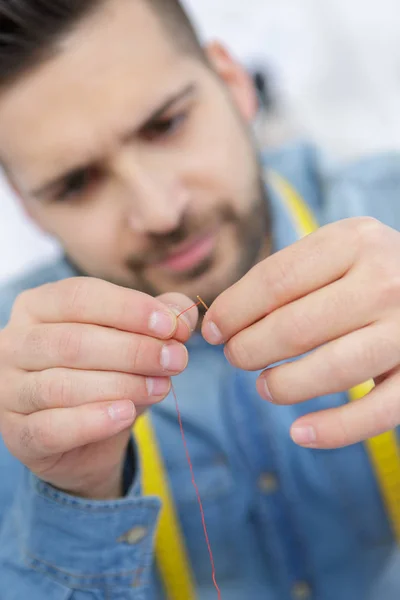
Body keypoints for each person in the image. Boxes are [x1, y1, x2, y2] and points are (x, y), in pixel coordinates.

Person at [1, 1, 400, 599]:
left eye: (166, 125)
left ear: (234, 81)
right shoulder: (15, 382)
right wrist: (75, 498)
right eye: (76, 183)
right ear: (29, 206)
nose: (160, 212)